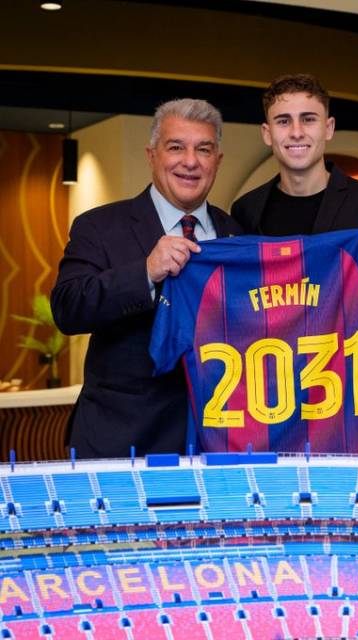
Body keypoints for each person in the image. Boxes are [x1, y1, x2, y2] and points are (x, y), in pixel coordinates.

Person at [51, 98, 243, 459]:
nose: (190, 161)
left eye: (203, 149)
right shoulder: (99, 226)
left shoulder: (236, 232)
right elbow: (67, 308)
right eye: (176, 147)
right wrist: (145, 272)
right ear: (152, 155)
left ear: (217, 161)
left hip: (219, 444)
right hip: (123, 443)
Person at [231, 74, 358, 324]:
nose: (296, 132)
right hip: (271, 348)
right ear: (267, 133)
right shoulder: (246, 210)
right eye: (283, 121)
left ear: (328, 128)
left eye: (308, 119)